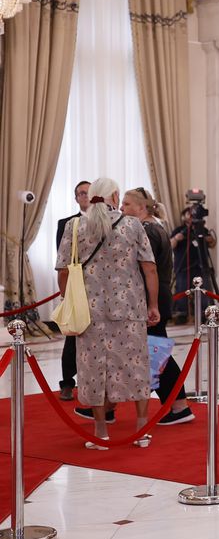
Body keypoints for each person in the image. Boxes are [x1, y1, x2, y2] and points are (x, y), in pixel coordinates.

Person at [55, 177, 157, 450]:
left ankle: (100, 432)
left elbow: (63, 271)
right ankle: (142, 428)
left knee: (93, 368)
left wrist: (67, 300)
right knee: (135, 366)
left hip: (90, 311)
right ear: (114, 196)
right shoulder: (132, 225)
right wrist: (153, 305)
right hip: (130, 308)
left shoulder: (74, 226)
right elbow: (149, 268)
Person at [121, 188, 195, 425]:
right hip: (155, 294)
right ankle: (176, 404)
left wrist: (149, 302)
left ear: (141, 208)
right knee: (155, 350)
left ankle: (180, 406)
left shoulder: (148, 231)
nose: (122, 208)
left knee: (157, 351)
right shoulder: (153, 227)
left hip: (152, 295)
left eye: (127, 204)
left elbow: (147, 269)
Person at [55, 180, 90, 402]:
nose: (85, 197)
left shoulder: (111, 222)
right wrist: (64, 291)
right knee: (73, 335)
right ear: (76, 198)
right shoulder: (66, 223)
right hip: (77, 284)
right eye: (81, 193)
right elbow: (62, 258)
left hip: (102, 288)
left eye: (89, 193)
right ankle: (67, 382)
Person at [169, 204, 217, 321]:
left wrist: (207, 239)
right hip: (183, 267)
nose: (191, 216)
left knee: (205, 289)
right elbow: (170, 244)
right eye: (188, 214)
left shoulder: (203, 230)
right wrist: (176, 238)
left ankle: (206, 313)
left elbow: (212, 243)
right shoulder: (179, 230)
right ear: (183, 217)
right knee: (181, 290)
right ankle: (181, 314)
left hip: (201, 266)